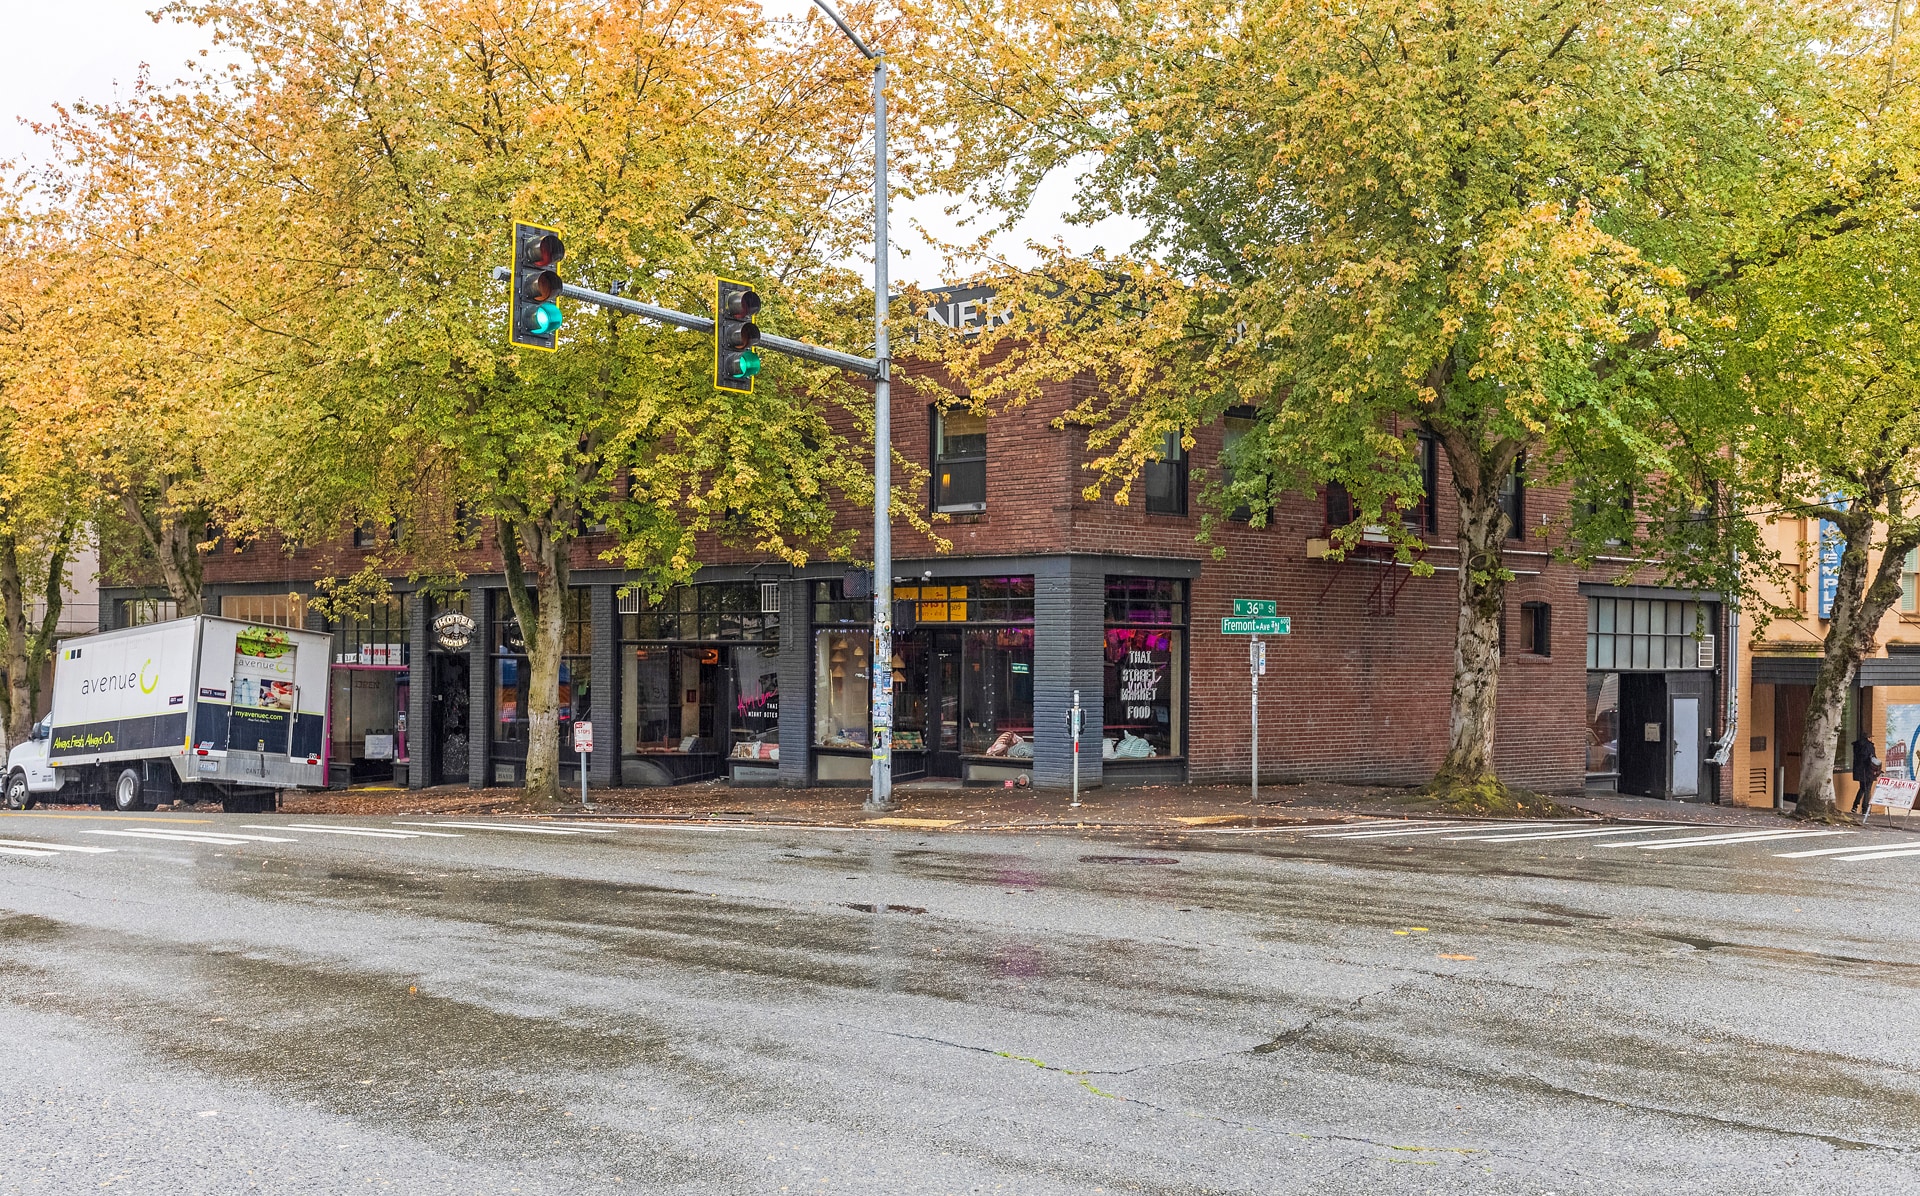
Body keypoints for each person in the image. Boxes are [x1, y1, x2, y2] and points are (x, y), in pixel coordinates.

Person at [1852, 733, 1883, 819]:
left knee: (1862, 788)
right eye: (1870, 737)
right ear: (1868, 738)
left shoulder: (1856, 746)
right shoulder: (1869, 746)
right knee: (1867, 790)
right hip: (1868, 771)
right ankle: (1865, 809)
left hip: (1859, 771)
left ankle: (1855, 806)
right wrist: (1877, 769)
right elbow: (1872, 759)